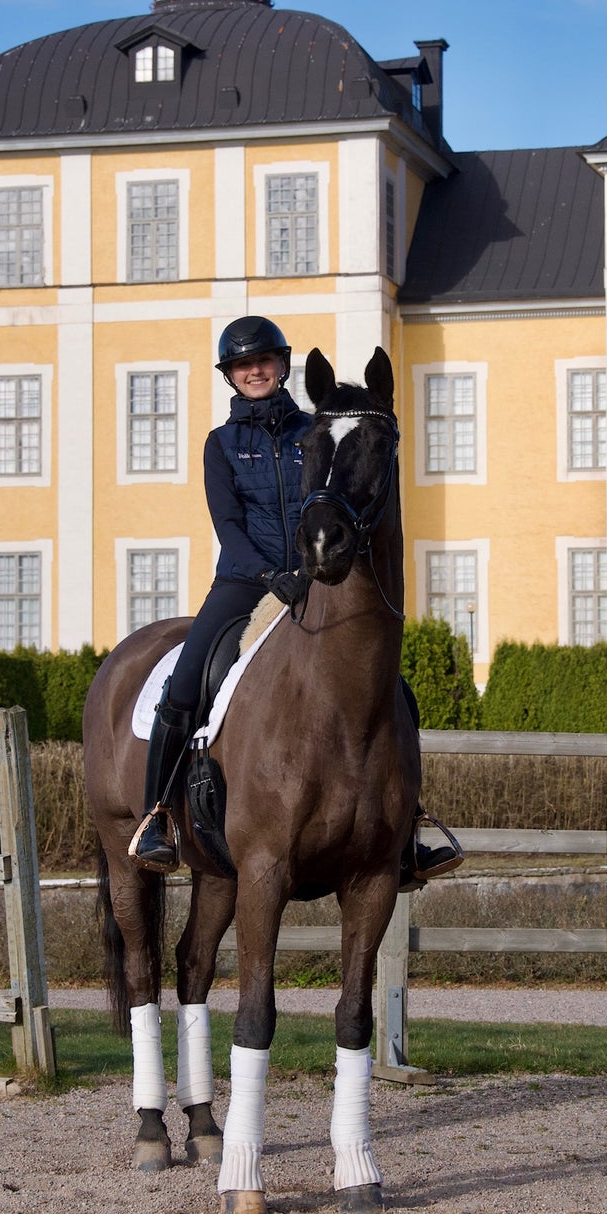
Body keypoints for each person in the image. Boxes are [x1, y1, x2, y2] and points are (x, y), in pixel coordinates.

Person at [130, 315, 462, 885]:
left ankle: (406, 829)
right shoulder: (221, 445)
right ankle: (157, 814)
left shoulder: (317, 430)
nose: (253, 370)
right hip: (242, 582)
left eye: (262, 361)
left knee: (392, 692)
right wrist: (265, 573)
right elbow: (228, 525)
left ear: (282, 366)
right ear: (230, 376)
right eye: (241, 365)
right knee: (185, 682)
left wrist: (311, 567)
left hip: (313, 578)